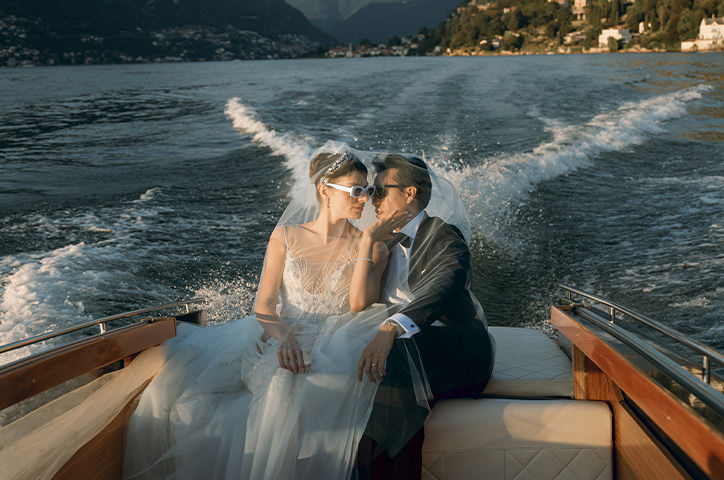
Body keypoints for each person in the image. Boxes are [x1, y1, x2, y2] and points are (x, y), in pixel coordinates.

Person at [123, 149, 411, 479]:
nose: (364, 199)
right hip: (280, 336)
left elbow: (360, 304)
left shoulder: (372, 245)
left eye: (368, 190)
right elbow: (264, 306)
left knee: (287, 387)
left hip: (336, 343)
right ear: (325, 190)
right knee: (183, 397)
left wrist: (367, 243)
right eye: (355, 190)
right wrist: (285, 338)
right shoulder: (286, 237)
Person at [354, 154, 495, 480]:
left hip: (457, 354)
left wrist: (392, 326)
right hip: (401, 353)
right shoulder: (383, 242)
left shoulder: (444, 236)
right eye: (370, 192)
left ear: (409, 193)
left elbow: (445, 285)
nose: (372, 200)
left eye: (379, 191)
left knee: (395, 360)